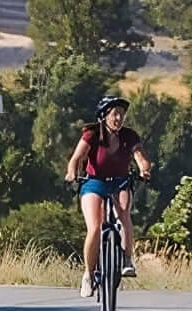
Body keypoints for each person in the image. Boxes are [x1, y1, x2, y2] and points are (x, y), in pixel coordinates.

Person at [65, 95, 153, 295]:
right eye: (115, 114)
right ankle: (88, 274)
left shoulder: (129, 136)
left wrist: (144, 169)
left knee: (124, 214)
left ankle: (127, 260)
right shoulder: (92, 134)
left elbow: (140, 156)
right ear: (104, 116)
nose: (119, 118)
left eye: (121, 114)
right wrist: (71, 172)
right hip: (94, 182)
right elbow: (76, 158)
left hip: (120, 181)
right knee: (94, 228)